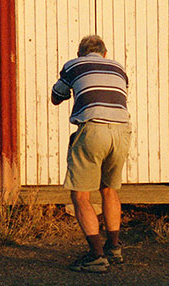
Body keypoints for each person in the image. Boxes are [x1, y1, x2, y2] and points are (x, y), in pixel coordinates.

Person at [51, 35, 131, 273]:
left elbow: (57, 97)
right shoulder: (119, 67)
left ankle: (96, 257)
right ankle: (114, 248)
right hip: (122, 131)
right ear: (105, 54)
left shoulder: (74, 65)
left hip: (93, 129)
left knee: (81, 196)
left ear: (80, 53)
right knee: (109, 189)